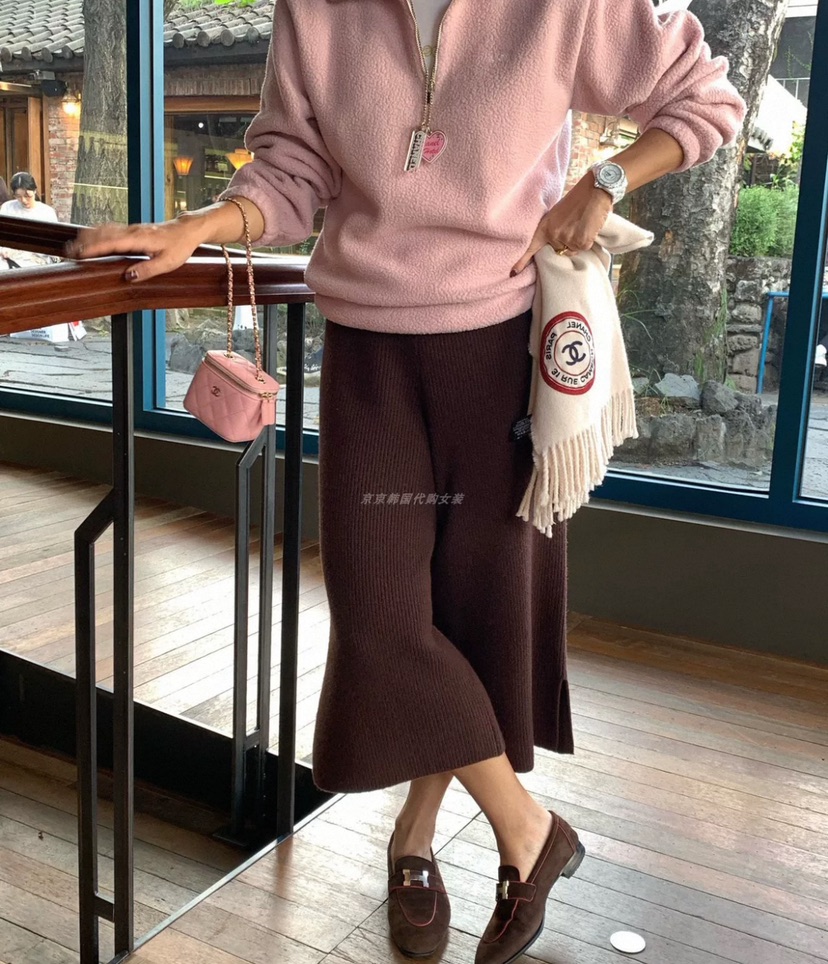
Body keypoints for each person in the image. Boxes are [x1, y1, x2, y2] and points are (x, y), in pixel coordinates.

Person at [67, 1, 747, 960]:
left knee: (469, 611)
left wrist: (604, 181)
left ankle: (414, 840)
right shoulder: (315, 8)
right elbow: (293, 168)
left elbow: (706, 100)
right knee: (381, 614)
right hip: (369, 359)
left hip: (501, 353)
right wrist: (203, 225)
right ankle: (530, 832)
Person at [0, 172, 59, 269]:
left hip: (35, 259)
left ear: (34, 191)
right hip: (7, 258)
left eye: (27, 196)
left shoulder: (47, 212)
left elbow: (52, 244)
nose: (23, 200)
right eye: (18, 196)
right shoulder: (7, 207)